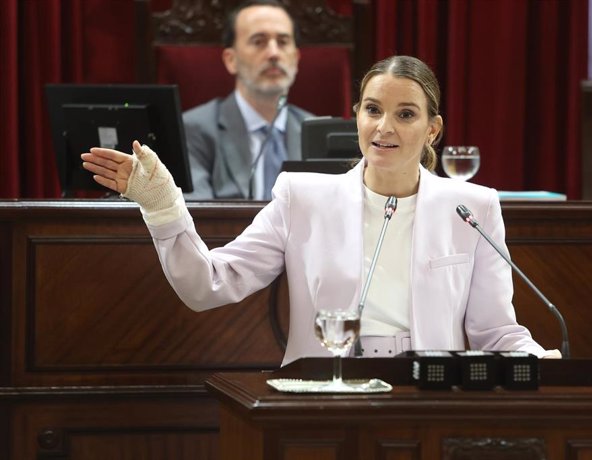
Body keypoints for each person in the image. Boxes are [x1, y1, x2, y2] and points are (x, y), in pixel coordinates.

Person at [81, 55, 561, 366]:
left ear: (433, 130)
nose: (384, 127)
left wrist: (544, 361)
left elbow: (496, 332)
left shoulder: (472, 207)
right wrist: (164, 207)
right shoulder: (301, 196)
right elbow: (208, 285)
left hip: (425, 401)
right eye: (372, 109)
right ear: (356, 115)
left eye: (406, 114)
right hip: (322, 400)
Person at [183, 0, 312, 200]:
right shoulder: (193, 130)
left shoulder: (316, 131)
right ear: (230, 60)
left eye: (283, 42)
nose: (273, 53)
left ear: (295, 58)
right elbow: (196, 216)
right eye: (259, 41)